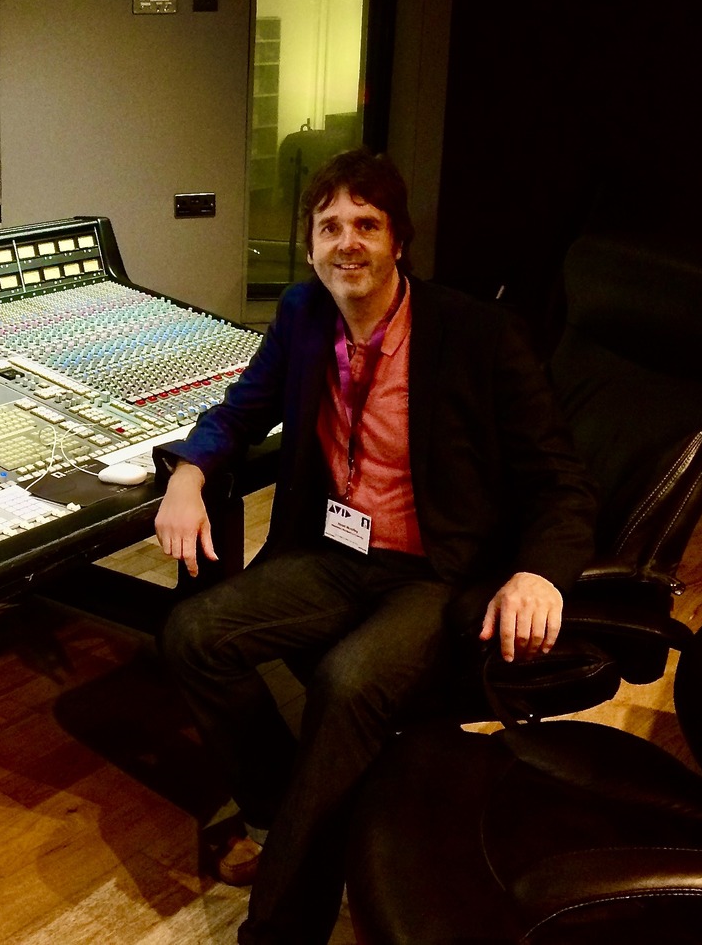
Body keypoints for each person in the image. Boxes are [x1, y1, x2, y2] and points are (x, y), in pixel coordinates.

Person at [154, 147, 596, 944]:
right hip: (333, 554)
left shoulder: (478, 335)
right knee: (193, 634)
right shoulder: (303, 315)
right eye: (329, 226)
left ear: (399, 241)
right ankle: (277, 814)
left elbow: (561, 482)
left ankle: (282, 926)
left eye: (366, 223)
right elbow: (240, 408)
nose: (346, 242)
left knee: (346, 681)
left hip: (435, 571)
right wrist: (188, 472)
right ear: (310, 243)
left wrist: (538, 573)